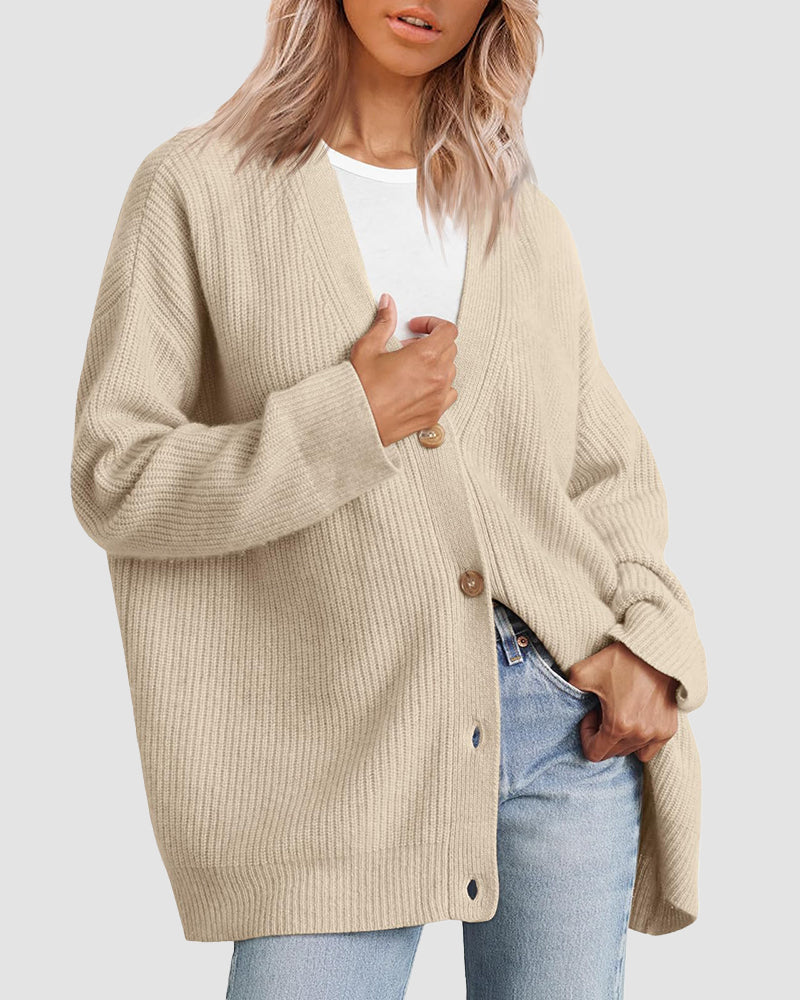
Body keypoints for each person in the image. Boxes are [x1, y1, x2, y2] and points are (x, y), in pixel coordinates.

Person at [70, 1, 708, 997]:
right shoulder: (198, 189)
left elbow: (604, 472)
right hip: (330, 745)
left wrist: (651, 646)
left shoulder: (519, 218)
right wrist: (347, 419)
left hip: (561, 728)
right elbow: (116, 475)